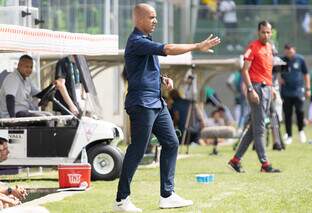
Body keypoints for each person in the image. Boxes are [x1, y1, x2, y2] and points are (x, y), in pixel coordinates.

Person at [113, 3, 220, 212]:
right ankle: (121, 200)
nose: (156, 21)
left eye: (156, 17)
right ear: (139, 19)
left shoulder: (146, 42)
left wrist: (162, 79)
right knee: (138, 148)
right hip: (142, 103)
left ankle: (167, 195)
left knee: (171, 143)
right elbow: (168, 49)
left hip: (156, 101)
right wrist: (198, 46)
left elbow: (141, 70)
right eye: (152, 17)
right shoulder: (136, 41)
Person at [228, 20, 281, 173]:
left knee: (254, 128)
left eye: (268, 32)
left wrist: (273, 88)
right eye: (263, 32)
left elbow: (268, 70)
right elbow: (244, 71)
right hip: (257, 89)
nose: (266, 35)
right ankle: (265, 165)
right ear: (258, 32)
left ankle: (235, 160)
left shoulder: (270, 47)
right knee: (260, 129)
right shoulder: (252, 47)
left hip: (268, 89)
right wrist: (251, 90)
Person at [280, 43, 310, 144]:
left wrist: (308, 88)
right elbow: (276, 73)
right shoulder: (282, 60)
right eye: (287, 52)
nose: (289, 54)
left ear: (294, 50)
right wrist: (280, 79)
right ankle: (289, 135)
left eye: (291, 52)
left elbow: (306, 74)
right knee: (287, 114)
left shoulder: (300, 59)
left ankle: (301, 131)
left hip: (298, 91)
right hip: (286, 92)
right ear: (285, 51)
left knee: (300, 111)